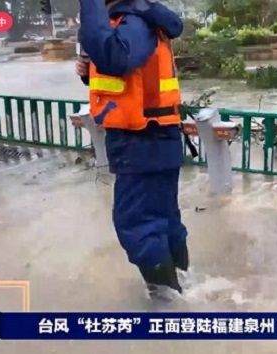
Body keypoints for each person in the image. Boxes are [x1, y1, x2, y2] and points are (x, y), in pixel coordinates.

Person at [76, 0, 189, 298]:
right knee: (162, 218)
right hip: (154, 139)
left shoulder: (135, 22)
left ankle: (169, 301)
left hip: (141, 140)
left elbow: (117, 57)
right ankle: (182, 287)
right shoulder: (138, 20)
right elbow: (130, 73)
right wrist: (89, 73)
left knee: (138, 223)